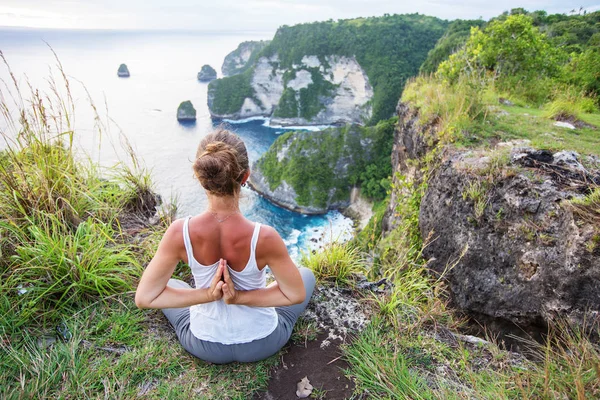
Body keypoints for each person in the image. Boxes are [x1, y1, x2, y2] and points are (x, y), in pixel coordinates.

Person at [135, 128, 316, 364]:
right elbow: (294, 294)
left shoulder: (179, 232)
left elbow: (144, 298)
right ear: (246, 176)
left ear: (200, 177)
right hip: (263, 342)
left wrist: (207, 295)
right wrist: (238, 297)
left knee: (169, 284)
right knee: (305, 275)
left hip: (205, 344)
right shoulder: (265, 237)